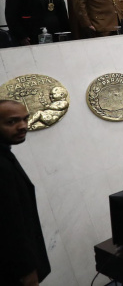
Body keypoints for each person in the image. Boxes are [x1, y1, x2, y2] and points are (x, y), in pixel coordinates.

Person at [0, 99, 51, 285]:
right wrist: (26, 271)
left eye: (25, 119)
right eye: (12, 122)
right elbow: (9, 225)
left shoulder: (5, 154)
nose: (23, 126)